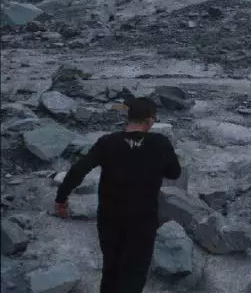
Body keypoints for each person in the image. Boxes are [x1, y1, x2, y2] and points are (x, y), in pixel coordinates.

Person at [54, 97, 181, 293]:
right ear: (149, 120)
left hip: (109, 219)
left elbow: (79, 169)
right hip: (142, 221)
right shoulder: (160, 143)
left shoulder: (107, 142)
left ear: (128, 118)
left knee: (111, 269)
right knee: (134, 273)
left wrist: (61, 199)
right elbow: (174, 173)